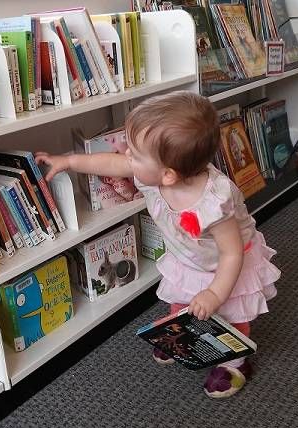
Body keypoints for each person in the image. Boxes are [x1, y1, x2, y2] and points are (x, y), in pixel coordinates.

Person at [35, 91, 280, 399]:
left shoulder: (213, 203)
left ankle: (235, 363)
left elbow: (231, 254)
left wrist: (215, 293)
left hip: (226, 265)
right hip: (189, 256)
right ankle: (183, 336)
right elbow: (111, 162)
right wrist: (70, 160)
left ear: (168, 174)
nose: (128, 159)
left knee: (230, 312)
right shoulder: (150, 173)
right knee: (182, 302)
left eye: (135, 155)